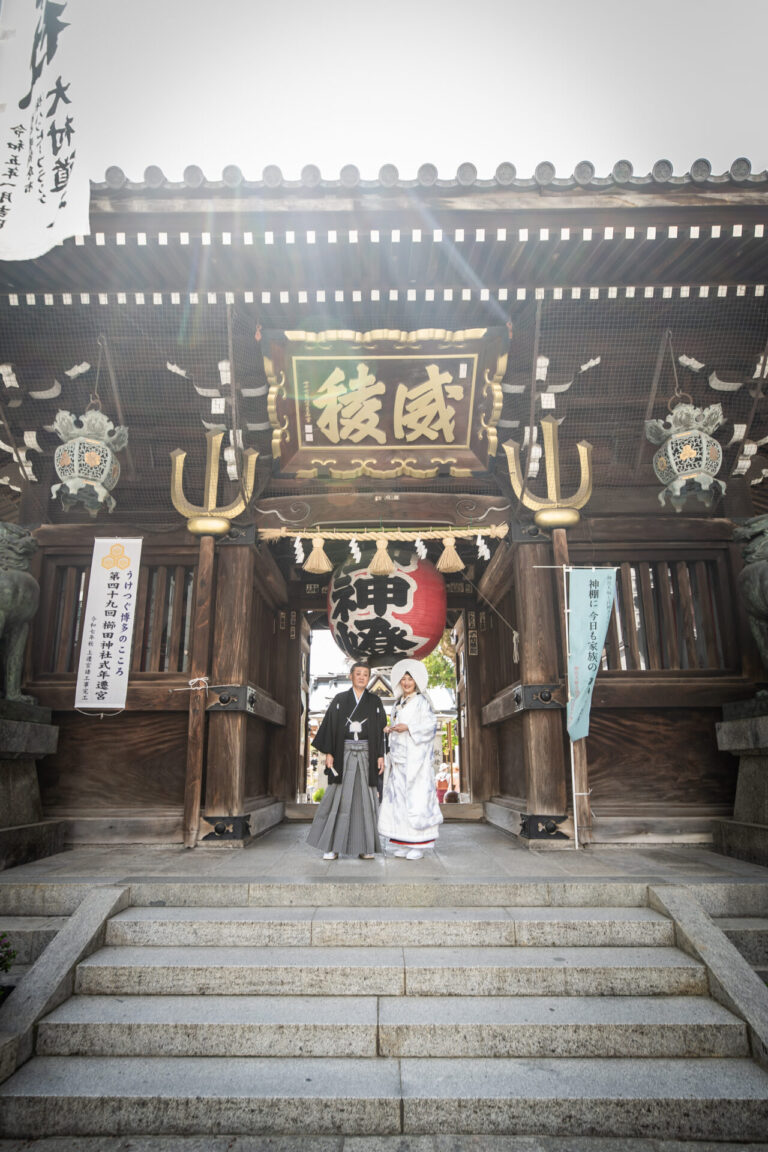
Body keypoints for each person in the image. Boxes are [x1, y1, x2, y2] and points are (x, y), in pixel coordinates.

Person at [306, 659, 387, 860]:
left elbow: (380, 730)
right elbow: (331, 727)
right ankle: (331, 846)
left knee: (365, 800)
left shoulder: (375, 702)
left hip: (368, 754)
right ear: (351, 676)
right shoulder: (340, 699)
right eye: (358, 673)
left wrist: (380, 755)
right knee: (337, 798)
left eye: (365, 674)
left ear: (368, 678)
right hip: (344, 753)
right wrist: (329, 754)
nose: (361, 677)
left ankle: (365, 846)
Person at [378, 658, 443, 860]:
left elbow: (431, 727)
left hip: (416, 762)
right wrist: (390, 729)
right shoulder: (398, 703)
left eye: (410, 679)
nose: (406, 683)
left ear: (416, 682)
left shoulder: (422, 702)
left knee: (417, 801)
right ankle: (404, 842)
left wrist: (410, 728)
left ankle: (419, 844)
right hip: (399, 761)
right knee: (400, 803)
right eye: (404, 679)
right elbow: (398, 727)